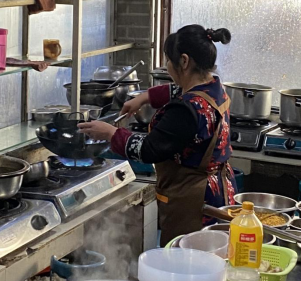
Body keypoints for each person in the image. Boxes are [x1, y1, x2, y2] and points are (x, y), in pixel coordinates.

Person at [78, 24, 237, 246]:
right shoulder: (214, 88)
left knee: (189, 263)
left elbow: (149, 149)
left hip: (194, 201)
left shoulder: (186, 109)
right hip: (219, 191)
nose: (166, 67)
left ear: (184, 61)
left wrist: (111, 133)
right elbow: (179, 90)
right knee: (215, 257)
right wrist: (145, 97)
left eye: (168, 62)